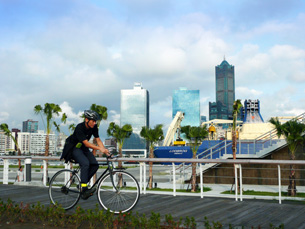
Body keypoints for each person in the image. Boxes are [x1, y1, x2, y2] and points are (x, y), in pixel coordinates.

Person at [63, 110, 110, 199]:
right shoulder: (79, 127)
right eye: (92, 121)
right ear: (86, 119)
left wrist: (105, 150)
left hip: (83, 149)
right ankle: (84, 189)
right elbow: (87, 143)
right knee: (85, 163)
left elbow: (98, 140)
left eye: (95, 121)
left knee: (95, 165)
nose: (94, 123)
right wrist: (100, 149)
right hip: (74, 148)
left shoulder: (94, 127)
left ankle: (81, 184)